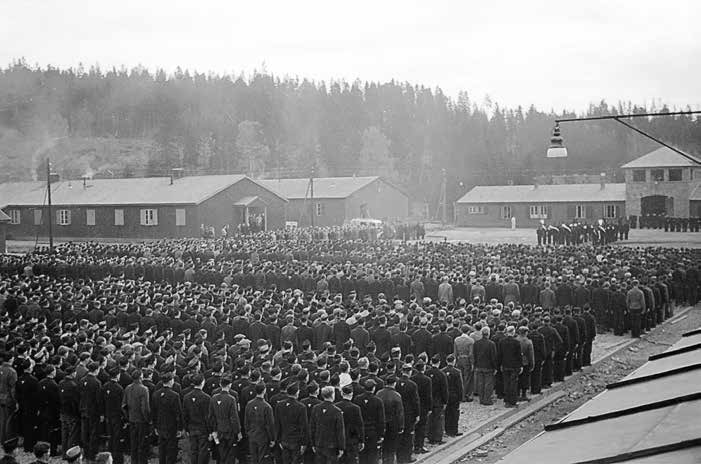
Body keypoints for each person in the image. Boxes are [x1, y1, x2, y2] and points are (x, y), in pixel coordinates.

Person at [152, 372, 183, 464]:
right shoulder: (174, 395)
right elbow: (178, 413)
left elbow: (153, 412)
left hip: (160, 425)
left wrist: (155, 426)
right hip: (171, 427)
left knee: (161, 449)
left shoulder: (155, 394)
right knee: (171, 450)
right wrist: (180, 428)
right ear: (170, 381)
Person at [275, 383, 309, 464]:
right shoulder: (301, 407)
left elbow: (277, 424)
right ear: (297, 392)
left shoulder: (279, 405)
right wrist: (304, 443)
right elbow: (304, 426)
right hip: (296, 442)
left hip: (284, 440)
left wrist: (279, 440)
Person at [310, 386, 346, 464]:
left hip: (319, 443)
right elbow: (340, 430)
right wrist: (341, 447)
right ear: (332, 395)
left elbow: (312, 427)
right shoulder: (337, 411)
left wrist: (312, 443)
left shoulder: (316, 408)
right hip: (332, 446)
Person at [122, 369, 151, 464]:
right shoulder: (144, 389)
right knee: (142, 445)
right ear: (141, 377)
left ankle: (134, 462)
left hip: (132, 419)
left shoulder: (127, 388)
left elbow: (123, 406)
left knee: (133, 444)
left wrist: (127, 417)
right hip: (141, 420)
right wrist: (148, 420)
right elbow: (145, 408)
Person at [353, 380, 385, 464]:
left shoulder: (357, 399)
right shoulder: (378, 401)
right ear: (373, 388)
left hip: (360, 431)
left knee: (362, 455)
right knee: (373, 455)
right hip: (373, 432)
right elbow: (381, 419)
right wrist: (381, 434)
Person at [183, 373, 211, 464]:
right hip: (203, 429)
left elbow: (185, 414)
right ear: (202, 382)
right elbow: (208, 416)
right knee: (203, 451)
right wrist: (210, 430)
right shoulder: (206, 398)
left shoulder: (186, 397)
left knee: (193, 450)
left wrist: (186, 428)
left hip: (191, 427)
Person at [244, 383, 275, 464]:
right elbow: (270, 425)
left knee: (254, 459)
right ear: (264, 390)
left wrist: (248, 433)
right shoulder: (267, 407)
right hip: (263, 437)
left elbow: (246, 421)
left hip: (252, 435)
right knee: (262, 459)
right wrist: (272, 439)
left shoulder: (249, 404)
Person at [395, 365, 419, 463]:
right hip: (409, 413)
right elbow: (415, 401)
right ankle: (407, 457)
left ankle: (399, 457)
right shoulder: (412, 385)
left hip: (398, 413)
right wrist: (417, 414)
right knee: (409, 436)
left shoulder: (396, 383)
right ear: (410, 372)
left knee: (399, 435)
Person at [335, 384, 364, 464]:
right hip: (352, 440)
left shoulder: (336, 406)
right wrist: (361, 440)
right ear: (351, 394)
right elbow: (359, 425)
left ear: (342, 393)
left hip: (338, 439)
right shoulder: (356, 408)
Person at [376, 376, 403, 464]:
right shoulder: (396, 395)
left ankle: (383, 461)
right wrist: (401, 426)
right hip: (393, 424)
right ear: (394, 383)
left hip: (381, 423)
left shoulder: (379, 393)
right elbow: (399, 413)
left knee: (383, 446)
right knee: (391, 446)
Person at [78, 361, 101, 461]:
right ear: (96, 370)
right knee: (93, 433)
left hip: (83, 409)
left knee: (84, 433)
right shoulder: (97, 382)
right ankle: (92, 455)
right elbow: (98, 400)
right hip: (93, 411)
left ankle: (85, 453)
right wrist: (101, 413)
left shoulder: (82, 380)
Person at [102, 367, 124, 464]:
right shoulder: (119, 388)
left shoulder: (105, 386)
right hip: (116, 416)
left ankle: (109, 455)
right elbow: (122, 405)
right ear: (117, 375)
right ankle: (116, 458)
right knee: (116, 437)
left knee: (110, 436)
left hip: (108, 415)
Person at [498, 326, 522, 408]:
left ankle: (506, 400)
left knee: (506, 383)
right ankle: (513, 401)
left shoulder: (502, 341)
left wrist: (500, 364)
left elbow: (500, 354)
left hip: (505, 365)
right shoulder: (516, 342)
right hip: (514, 366)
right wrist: (520, 365)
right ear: (513, 332)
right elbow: (519, 356)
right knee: (513, 383)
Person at [426, 355, 447, 444]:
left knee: (430, 418)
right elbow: (444, 389)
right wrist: (445, 400)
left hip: (428, 399)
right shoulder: (441, 374)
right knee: (438, 419)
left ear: (431, 362)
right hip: (438, 400)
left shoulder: (427, 373)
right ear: (439, 363)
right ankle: (437, 437)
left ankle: (430, 436)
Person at [473, 326, 497, 405]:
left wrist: (475, 364)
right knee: (488, 384)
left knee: (480, 383)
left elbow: (474, 355)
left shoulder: (476, 343)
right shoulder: (491, 344)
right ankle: (487, 399)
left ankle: (481, 399)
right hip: (488, 366)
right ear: (488, 334)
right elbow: (493, 357)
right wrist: (495, 367)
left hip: (479, 365)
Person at [442, 355, 463, 437]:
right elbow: (460, 386)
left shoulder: (442, 371)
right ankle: (454, 430)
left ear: (446, 361)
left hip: (446, 395)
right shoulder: (457, 372)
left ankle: (447, 429)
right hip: (454, 395)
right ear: (454, 361)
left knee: (447, 413)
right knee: (454, 413)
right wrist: (461, 397)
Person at [453, 325, 474, 402]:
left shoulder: (456, 340)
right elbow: (471, 354)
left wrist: (455, 361)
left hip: (459, 359)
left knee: (460, 378)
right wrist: (472, 363)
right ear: (468, 331)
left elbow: (455, 352)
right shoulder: (470, 340)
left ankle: (460, 394)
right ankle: (465, 395)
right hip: (467, 360)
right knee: (467, 378)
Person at [0, 352, 17, 445]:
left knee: (2, 419)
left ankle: (2, 439)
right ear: (11, 359)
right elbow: (13, 389)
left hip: (1, 397)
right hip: (8, 399)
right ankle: (7, 440)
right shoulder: (12, 371)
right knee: (8, 421)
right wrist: (16, 401)